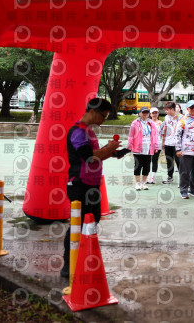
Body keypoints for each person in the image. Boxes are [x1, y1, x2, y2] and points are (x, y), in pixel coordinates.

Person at [61, 98, 121, 279]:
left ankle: (81, 257)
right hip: (80, 184)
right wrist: (108, 149)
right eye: (103, 115)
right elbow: (88, 157)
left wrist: (110, 151)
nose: (104, 119)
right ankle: (68, 264)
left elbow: (95, 156)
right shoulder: (78, 132)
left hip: (92, 184)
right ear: (93, 112)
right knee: (78, 223)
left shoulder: (89, 132)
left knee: (93, 220)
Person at [176, 100, 194, 199]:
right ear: (187, 109)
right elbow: (177, 135)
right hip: (186, 150)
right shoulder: (183, 120)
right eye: (191, 108)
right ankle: (183, 190)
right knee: (185, 172)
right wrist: (178, 149)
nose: (193, 109)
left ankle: (193, 190)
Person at [127, 107, 158, 191]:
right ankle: (137, 183)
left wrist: (155, 146)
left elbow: (154, 135)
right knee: (138, 165)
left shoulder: (151, 123)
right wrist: (129, 146)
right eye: (143, 112)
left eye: (147, 113)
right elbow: (131, 135)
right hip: (138, 147)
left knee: (147, 166)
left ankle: (143, 183)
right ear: (139, 113)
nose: (145, 114)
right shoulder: (135, 123)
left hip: (148, 147)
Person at [161, 101, 181, 184]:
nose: (165, 111)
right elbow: (165, 129)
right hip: (168, 142)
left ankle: (182, 179)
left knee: (179, 161)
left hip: (177, 143)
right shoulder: (166, 117)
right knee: (169, 160)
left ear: (172, 109)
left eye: (167, 110)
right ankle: (170, 177)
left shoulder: (180, 117)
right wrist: (163, 141)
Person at [147, 107, 163, 184]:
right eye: (153, 113)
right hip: (148, 144)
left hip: (158, 144)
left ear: (158, 114)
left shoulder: (161, 123)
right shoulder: (147, 122)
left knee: (155, 160)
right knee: (147, 160)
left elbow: (162, 134)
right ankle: (146, 177)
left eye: (156, 113)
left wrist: (163, 143)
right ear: (150, 114)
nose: (154, 114)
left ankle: (153, 177)